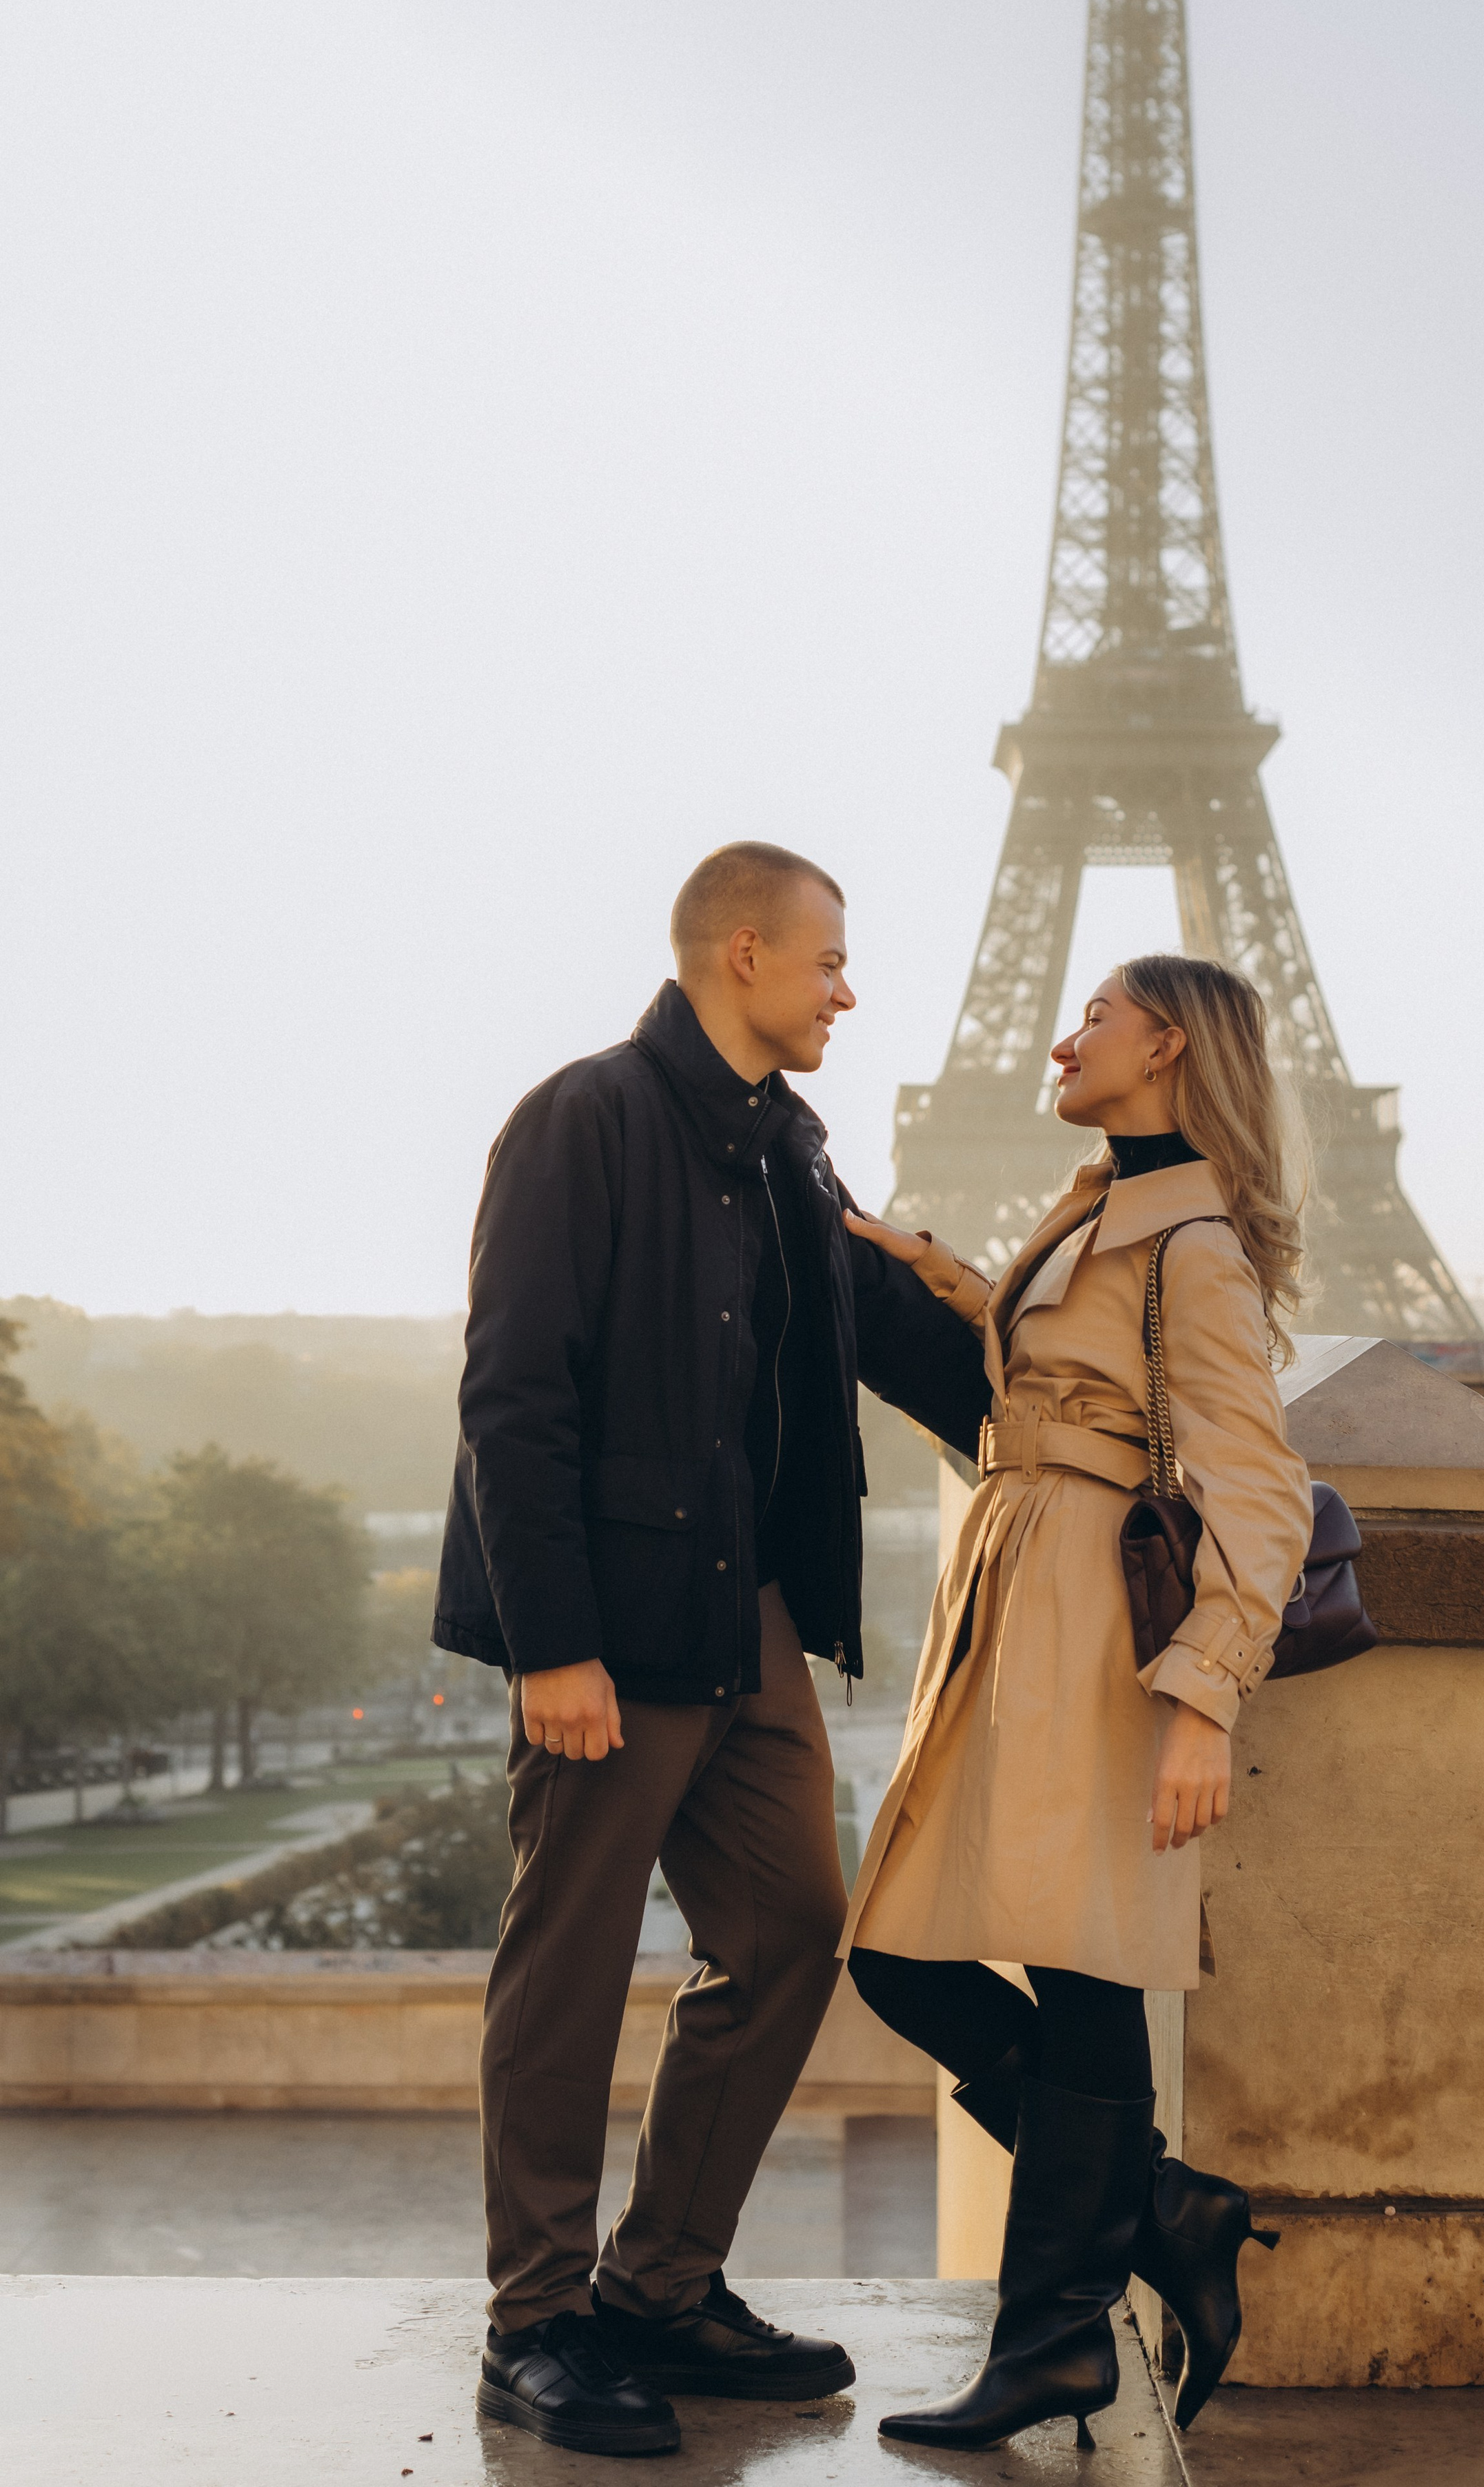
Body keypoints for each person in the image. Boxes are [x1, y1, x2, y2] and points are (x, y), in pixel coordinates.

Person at [433, 841, 990, 2458]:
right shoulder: (581, 1120)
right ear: (742, 955)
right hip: (605, 1624)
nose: (846, 990)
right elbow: (513, 1397)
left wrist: (1114, 1391)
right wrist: (553, 1646)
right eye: (827, 963)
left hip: (747, 1618)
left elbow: (909, 1353)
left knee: (795, 1934)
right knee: (570, 1968)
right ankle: (534, 2321)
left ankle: (659, 2288)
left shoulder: (792, 1155)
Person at [841, 953, 1314, 2449]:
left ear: (1166, 1044)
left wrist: (1202, 1705)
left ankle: (1055, 2329)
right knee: (925, 1960)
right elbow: (1066, 1380)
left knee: (1074, 1971)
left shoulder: (1195, 1247)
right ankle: (1157, 2211)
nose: (1060, 1039)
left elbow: (1257, 1489)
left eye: (1094, 1021)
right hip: (1018, 1599)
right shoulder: (1108, 1209)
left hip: (1088, 1628)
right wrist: (944, 1282)